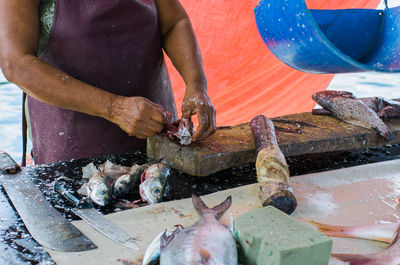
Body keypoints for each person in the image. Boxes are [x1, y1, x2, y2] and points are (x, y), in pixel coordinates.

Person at [0, 0, 216, 164]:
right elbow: (16, 64)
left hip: (157, 136)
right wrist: (115, 108)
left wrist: (196, 85)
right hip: (73, 147)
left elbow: (174, 22)